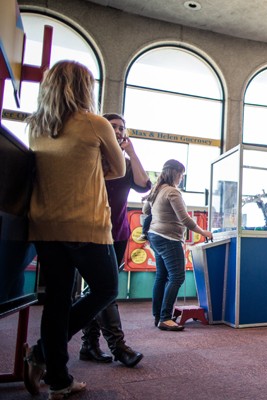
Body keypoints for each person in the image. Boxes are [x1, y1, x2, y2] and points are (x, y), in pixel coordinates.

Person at [24, 60, 125, 399]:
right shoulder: (95, 123)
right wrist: (95, 169)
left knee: (56, 301)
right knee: (107, 289)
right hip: (86, 224)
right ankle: (41, 352)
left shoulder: (36, 126)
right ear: (84, 87)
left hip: (45, 225)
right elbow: (119, 168)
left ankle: (58, 379)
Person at [77, 114, 149, 367]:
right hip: (91, 231)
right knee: (104, 289)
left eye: (122, 128)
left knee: (97, 289)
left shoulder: (126, 163)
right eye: (113, 127)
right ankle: (118, 347)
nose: (118, 131)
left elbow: (143, 184)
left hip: (117, 234)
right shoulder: (91, 156)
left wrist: (132, 151)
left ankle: (89, 344)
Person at [143, 159, 213, 331]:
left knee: (162, 277)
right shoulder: (172, 192)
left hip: (155, 236)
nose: (181, 177)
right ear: (174, 173)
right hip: (169, 238)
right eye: (181, 174)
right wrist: (204, 233)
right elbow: (185, 219)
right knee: (177, 277)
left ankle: (158, 315)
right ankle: (165, 318)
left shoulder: (156, 190)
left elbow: (146, 211)